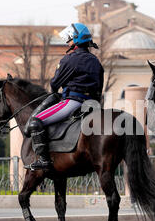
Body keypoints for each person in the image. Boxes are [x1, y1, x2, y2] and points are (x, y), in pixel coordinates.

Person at [24, 23, 104, 171]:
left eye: (70, 39)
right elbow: (100, 86)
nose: (68, 42)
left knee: (35, 122)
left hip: (74, 102)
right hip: (93, 104)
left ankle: (44, 160)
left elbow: (54, 84)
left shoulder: (69, 59)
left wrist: (58, 91)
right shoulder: (95, 61)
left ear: (76, 40)